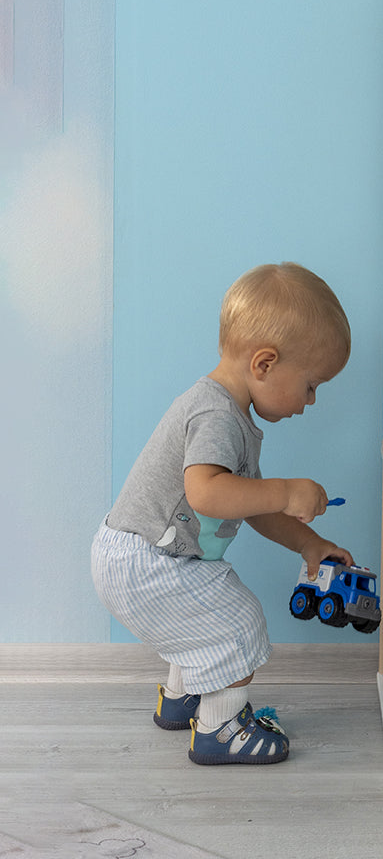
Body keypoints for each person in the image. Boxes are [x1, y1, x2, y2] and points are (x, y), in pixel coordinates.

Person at [91, 262, 355, 765]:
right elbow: (208, 496)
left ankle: (182, 700)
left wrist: (307, 542)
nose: (313, 401)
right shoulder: (215, 414)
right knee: (237, 623)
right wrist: (284, 489)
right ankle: (220, 727)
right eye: (311, 385)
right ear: (265, 364)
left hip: (136, 554)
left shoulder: (228, 412)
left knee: (198, 617)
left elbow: (247, 501)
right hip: (146, 560)